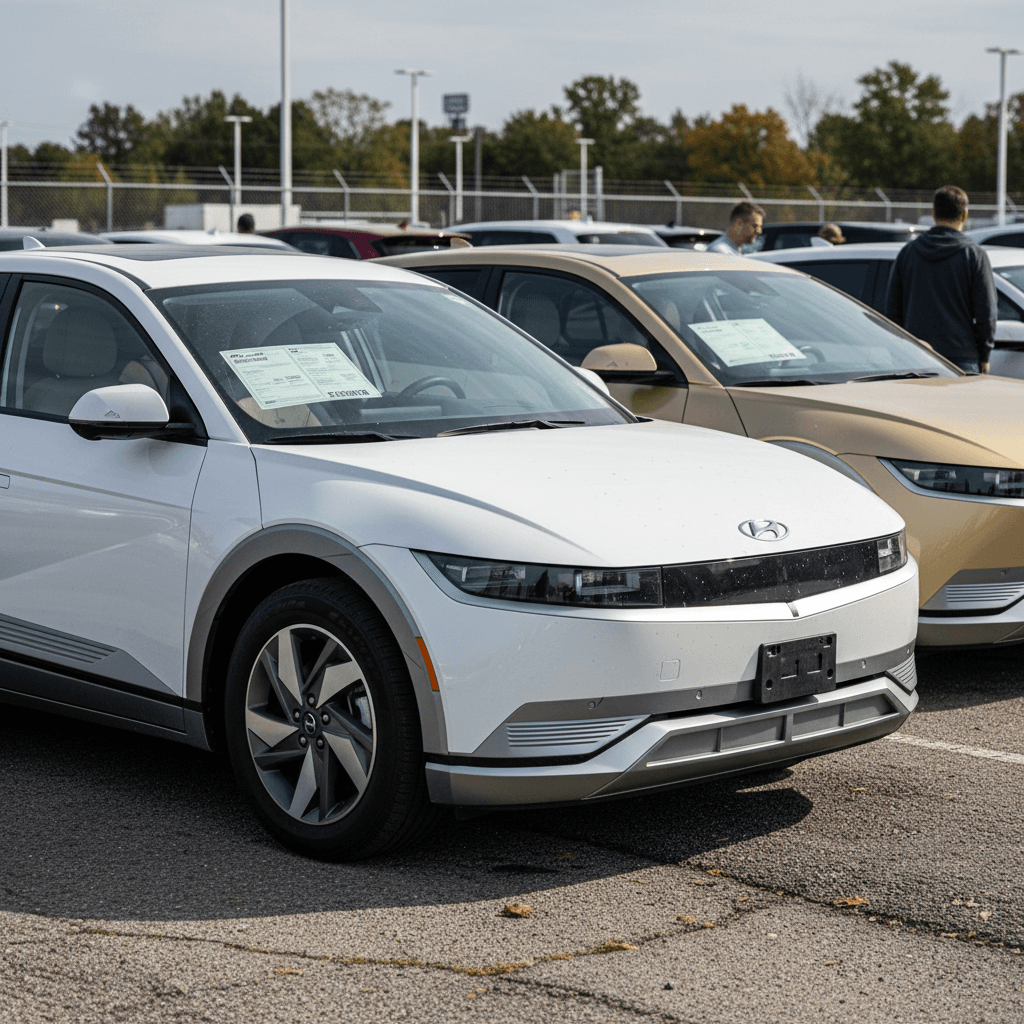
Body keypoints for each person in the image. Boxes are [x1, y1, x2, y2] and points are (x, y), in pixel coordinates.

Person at [885, 186, 996, 374]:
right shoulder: (974, 255)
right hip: (962, 359)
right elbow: (987, 312)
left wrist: (900, 351)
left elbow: (892, 310)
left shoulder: (908, 253)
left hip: (915, 357)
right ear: (964, 215)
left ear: (933, 213)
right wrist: (985, 355)